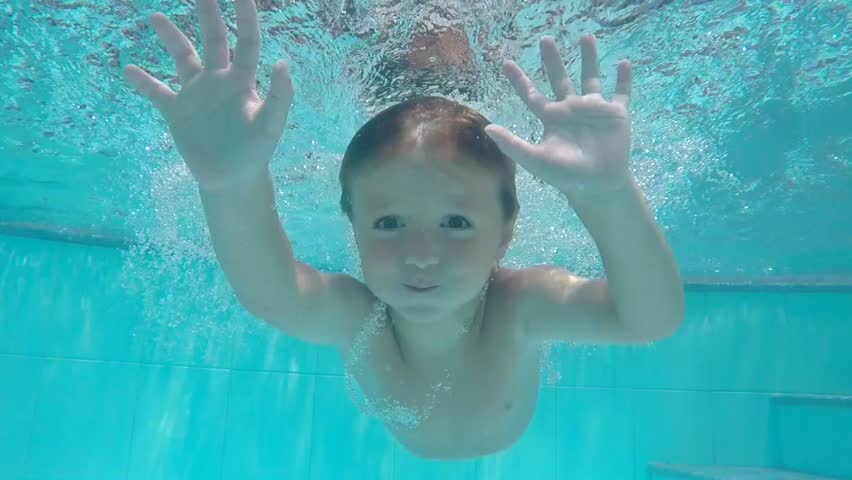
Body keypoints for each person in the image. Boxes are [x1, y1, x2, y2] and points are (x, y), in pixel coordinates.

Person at [123, 0, 684, 460]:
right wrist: (231, 184)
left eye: (457, 223)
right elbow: (273, 293)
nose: (421, 254)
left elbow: (650, 321)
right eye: (388, 223)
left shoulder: (519, 304)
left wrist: (609, 196)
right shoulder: (360, 317)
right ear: (353, 224)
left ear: (506, 232)